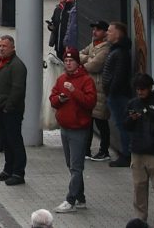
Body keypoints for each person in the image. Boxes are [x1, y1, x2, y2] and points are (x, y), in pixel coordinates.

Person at [116, 74, 154, 227]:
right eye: (138, 89)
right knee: (139, 185)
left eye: (143, 89)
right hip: (137, 151)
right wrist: (131, 119)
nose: (140, 92)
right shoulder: (133, 104)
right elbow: (124, 125)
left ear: (150, 88)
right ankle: (140, 217)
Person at [48, 49, 98, 208]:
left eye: (71, 61)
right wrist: (59, 99)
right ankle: (81, 198)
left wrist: (73, 91)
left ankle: (70, 200)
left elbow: (90, 102)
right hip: (65, 127)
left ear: (78, 63)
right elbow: (53, 99)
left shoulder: (86, 80)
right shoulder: (61, 79)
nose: (68, 63)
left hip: (79, 129)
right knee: (71, 165)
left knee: (76, 166)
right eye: (66, 61)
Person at [0, 35, 28, 186]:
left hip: (10, 112)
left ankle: (18, 172)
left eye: (5, 46)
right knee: (6, 141)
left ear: (12, 48)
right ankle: (8, 170)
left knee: (14, 141)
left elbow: (18, 90)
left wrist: (8, 108)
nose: (1, 48)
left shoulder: (17, 66)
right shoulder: (1, 62)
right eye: (0, 46)